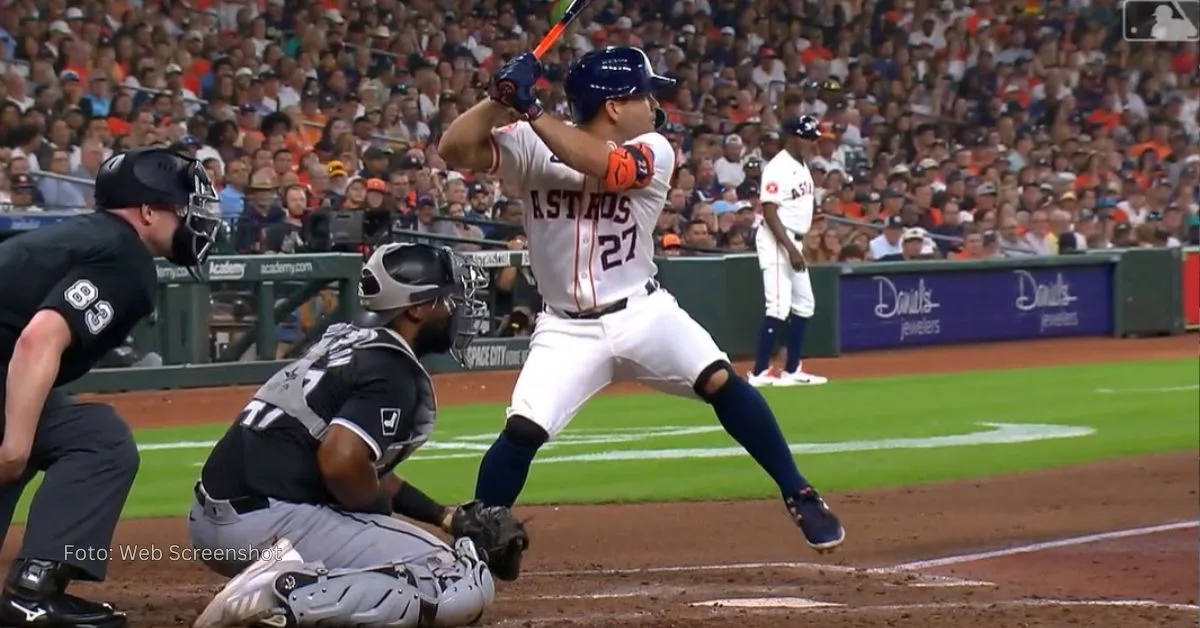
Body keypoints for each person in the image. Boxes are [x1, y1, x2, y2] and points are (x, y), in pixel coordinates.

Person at [437, 46, 845, 573]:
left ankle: (800, 491)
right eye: (644, 93)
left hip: (642, 312)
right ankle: (475, 547)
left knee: (720, 379)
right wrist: (497, 103)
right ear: (613, 105)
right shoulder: (530, 143)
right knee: (522, 430)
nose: (653, 104)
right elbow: (453, 150)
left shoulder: (655, 148)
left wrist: (532, 109)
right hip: (566, 328)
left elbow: (610, 167)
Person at [188, 243, 528, 628]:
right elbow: (340, 463)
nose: (455, 310)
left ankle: (282, 580)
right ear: (416, 308)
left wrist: (443, 516)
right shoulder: (390, 369)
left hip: (210, 522)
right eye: (446, 299)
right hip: (268, 528)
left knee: (371, 513)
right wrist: (377, 512)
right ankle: (281, 595)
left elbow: (361, 463)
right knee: (459, 579)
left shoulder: (345, 341)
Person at [0, 147, 221, 627]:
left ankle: (31, 590)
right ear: (146, 211)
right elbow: (39, 338)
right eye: (184, 210)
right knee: (94, 438)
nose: (193, 222)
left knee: (45, 419)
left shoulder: (82, 237)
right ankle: (33, 591)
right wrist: (15, 446)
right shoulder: (125, 257)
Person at [748, 115, 829, 387]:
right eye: (809, 138)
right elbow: (769, 213)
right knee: (778, 306)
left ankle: (792, 369)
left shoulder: (802, 164)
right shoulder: (777, 167)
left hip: (794, 240)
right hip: (776, 240)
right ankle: (758, 372)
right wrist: (791, 249)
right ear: (794, 137)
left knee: (805, 305)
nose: (813, 143)